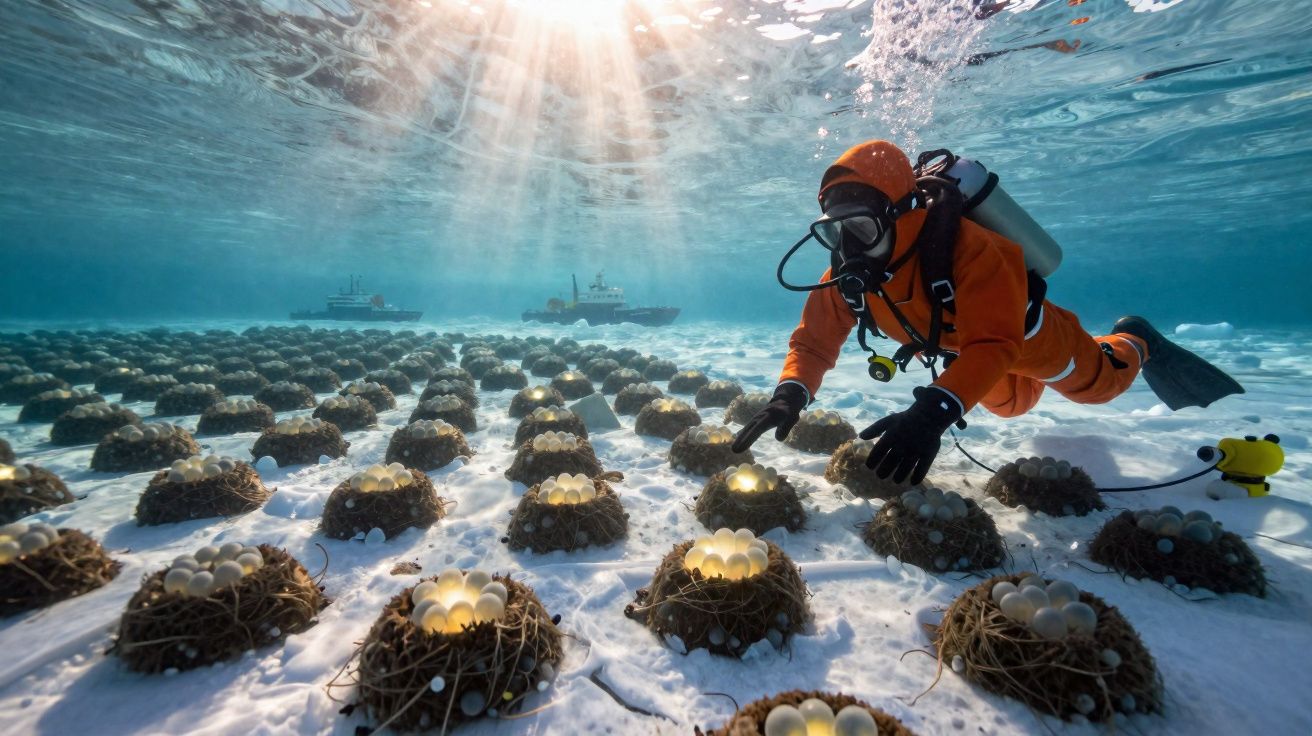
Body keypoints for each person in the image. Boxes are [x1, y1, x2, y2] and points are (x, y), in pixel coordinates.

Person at [732, 140, 1242, 485]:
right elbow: (813, 343)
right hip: (965, 350)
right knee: (1012, 405)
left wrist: (933, 411)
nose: (848, 248)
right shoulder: (846, 275)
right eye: (834, 232)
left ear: (902, 217)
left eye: (859, 229)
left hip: (1028, 338)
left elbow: (996, 346)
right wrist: (790, 393)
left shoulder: (975, 250)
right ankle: (1021, 380)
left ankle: (1134, 339)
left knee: (1100, 389)